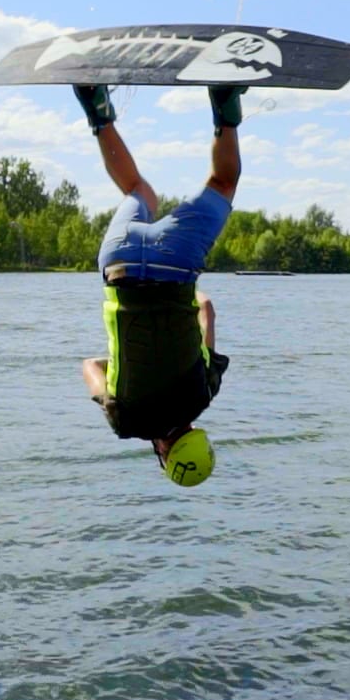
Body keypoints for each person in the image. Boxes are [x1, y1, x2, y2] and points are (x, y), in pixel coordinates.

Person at [72, 81, 243, 486]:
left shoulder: (202, 394)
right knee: (137, 190)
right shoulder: (124, 420)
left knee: (223, 182)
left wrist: (185, 288)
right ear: (163, 456)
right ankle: (97, 110)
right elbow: (89, 366)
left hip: (177, 263)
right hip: (121, 262)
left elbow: (206, 309)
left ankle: (224, 104)